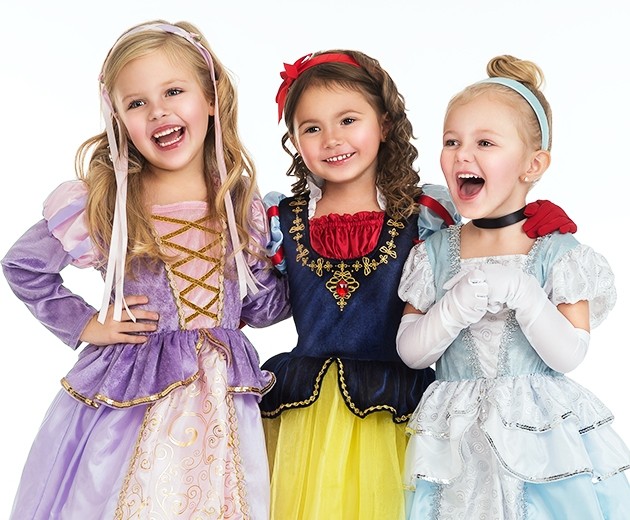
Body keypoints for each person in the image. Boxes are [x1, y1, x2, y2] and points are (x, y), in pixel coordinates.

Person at [261, 50, 577, 520]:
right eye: (311, 128)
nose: (332, 138)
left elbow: (485, 230)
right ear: (293, 140)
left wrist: (533, 224)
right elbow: (263, 303)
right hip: (304, 411)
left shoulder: (427, 214)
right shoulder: (280, 218)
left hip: (399, 406)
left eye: (348, 119)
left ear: (385, 124)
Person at [2, 20, 290, 519]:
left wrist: (303, 258)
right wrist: (86, 323)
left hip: (222, 399)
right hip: (132, 393)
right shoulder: (107, 202)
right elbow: (24, 265)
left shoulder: (238, 205)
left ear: (211, 97)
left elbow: (262, 308)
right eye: (136, 103)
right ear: (118, 118)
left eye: (174, 91)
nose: (158, 111)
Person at [397, 54, 630, 519]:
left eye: (485, 142)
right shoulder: (433, 253)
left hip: (540, 438)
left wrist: (525, 294)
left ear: (533, 164)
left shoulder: (558, 252)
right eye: (451, 141)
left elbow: (569, 355)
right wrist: (455, 306)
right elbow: (411, 352)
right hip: (452, 436)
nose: (463, 154)